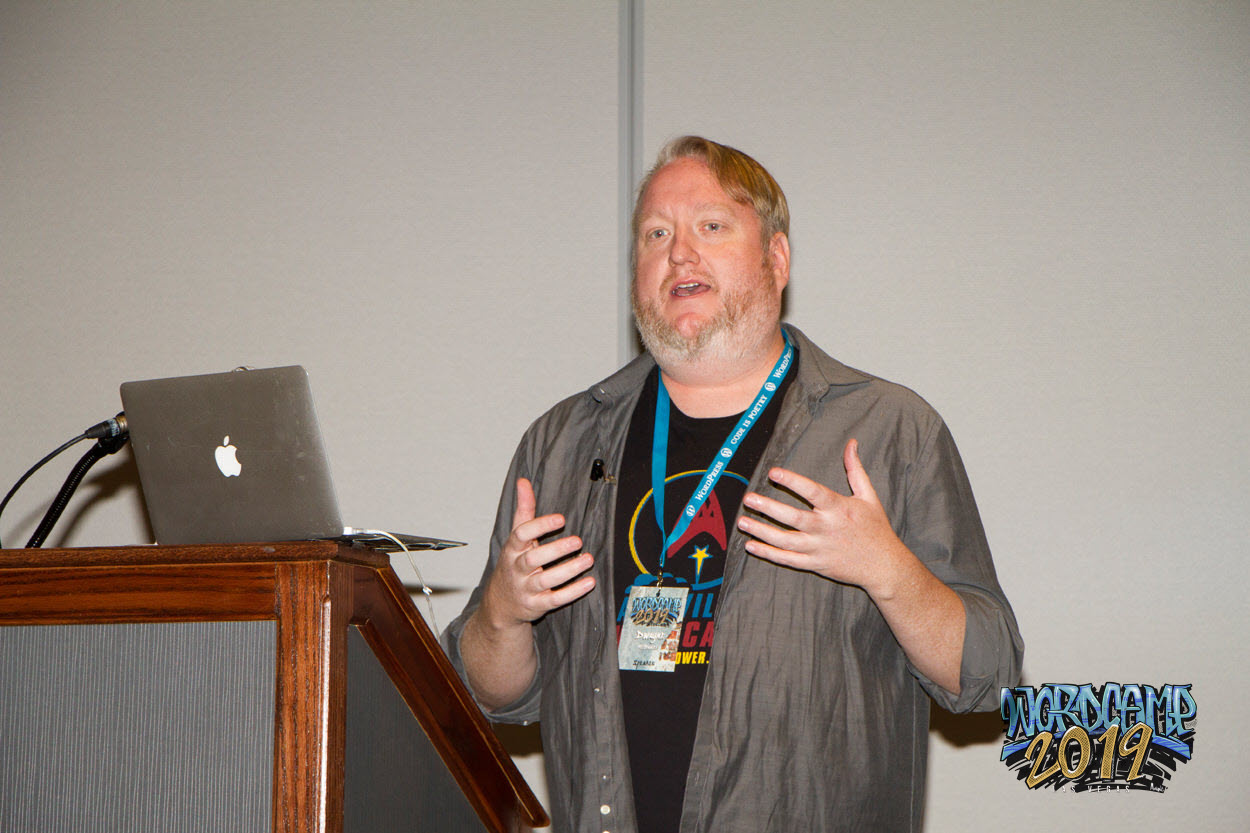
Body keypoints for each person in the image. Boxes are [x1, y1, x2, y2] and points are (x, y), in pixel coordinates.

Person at [442, 136, 1023, 833]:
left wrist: (888, 569)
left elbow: (988, 673)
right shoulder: (563, 441)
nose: (679, 253)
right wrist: (503, 613)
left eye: (711, 226)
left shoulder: (888, 430)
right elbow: (490, 693)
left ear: (777, 259)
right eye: (656, 234)